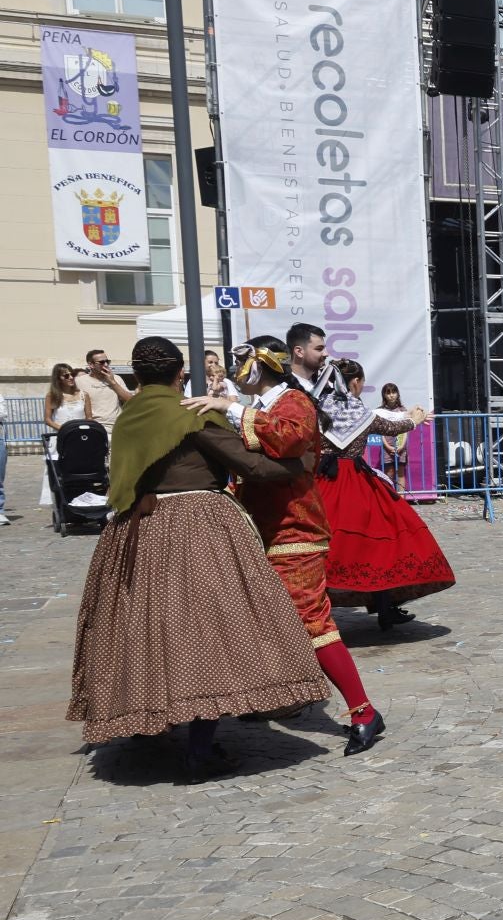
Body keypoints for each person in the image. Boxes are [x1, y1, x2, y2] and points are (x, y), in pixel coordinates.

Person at [69, 337, 329, 780]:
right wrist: (305, 459)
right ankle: (200, 748)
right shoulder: (190, 412)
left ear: (137, 375)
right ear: (179, 375)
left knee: (141, 627)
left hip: (134, 525)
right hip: (196, 523)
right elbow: (254, 468)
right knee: (209, 630)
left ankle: (145, 722)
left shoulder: (130, 413)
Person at [182, 333, 390, 756]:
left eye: (242, 361)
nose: (236, 370)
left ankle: (364, 712)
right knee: (249, 620)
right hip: (258, 529)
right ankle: (269, 700)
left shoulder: (292, 402)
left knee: (313, 621)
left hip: (295, 532)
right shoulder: (263, 405)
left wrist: (232, 408)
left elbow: (289, 439)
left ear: (263, 363)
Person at [311, 360, 454, 630]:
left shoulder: (319, 407)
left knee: (323, 547)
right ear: (355, 383)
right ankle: (385, 607)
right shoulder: (356, 410)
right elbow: (390, 427)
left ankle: (317, 610)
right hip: (353, 482)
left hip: (321, 481)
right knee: (379, 544)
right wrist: (415, 419)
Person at [38, 363, 93, 512]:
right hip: (61, 439)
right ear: (58, 378)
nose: (71, 378)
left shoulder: (83, 395)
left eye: (72, 374)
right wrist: (65, 430)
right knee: (59, 473)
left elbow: (89, 417)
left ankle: (86, 501)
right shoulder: (53, 396)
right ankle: (63, 505)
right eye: (66, 375)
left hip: (80, 440)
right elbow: (48, 419)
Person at [76, 349, 133, 432]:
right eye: (101, 362)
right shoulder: (79, 381)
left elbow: (130, 400)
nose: (106, 365)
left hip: (117, 428)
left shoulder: (117, 379)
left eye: (107, 361)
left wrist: (112, 382)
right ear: (91, 364)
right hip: (94, 429)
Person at [374, 384, 413, 484]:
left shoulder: (403, 410)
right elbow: (380, 431)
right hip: (387, 446)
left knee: (400, 473)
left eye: (393, 392)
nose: (391, 395)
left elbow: (405, 430)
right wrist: (387, 446)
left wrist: (402, 445)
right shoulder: (380, 411)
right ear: (384, 395)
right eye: (388, 393)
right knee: (389, 473)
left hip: (401, 446)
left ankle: (401, 498)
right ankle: (389, 498)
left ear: (397, 394)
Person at [286, 323, 328, 391]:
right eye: (319, 349)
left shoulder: (326, 385)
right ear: (299, 352)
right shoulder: (284, 390)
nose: (326, 354)